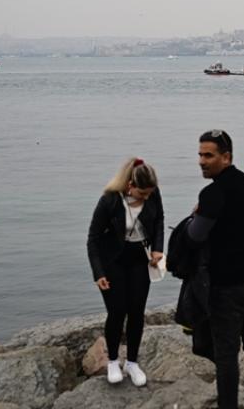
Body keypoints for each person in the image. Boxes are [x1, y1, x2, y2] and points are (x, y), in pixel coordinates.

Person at [187, 130, 244, 409]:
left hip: (228, 283)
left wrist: (195, 216)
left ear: (226, 157)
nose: (202, 161)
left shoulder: (212, 194)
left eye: (208, 155)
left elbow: (195, 236)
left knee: (226, 354)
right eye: (200, 155)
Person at [87, 157, 165, 386]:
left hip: (140, 259)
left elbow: (159, 220)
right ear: (130, 185)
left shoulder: (153, 193)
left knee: (137, 311)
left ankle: (132, 362)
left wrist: (158, 249)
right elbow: (93, 239)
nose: (147, 197)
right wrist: (98, 272)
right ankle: (112, 360)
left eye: (150, 193)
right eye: (142, 193)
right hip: (113, 261)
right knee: (117, 311)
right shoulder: (109, 200)